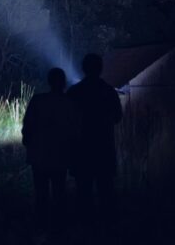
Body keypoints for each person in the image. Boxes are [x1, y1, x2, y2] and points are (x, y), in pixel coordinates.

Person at [67, 53, 122, 227]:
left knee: (84, 192)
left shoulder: (74, 92)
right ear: (100, 68)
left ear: (84, 69)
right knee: (106, 191)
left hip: (82, 150)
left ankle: (86, 228)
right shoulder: (109, 91)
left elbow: (67, 119)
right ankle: (107, 229)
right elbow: (118, 117)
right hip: (104, 149)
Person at [22, 67, 76, 238]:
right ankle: (59, 229)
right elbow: (76, 131)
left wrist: (30, 145)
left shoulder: (38, 101)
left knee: (41, 193)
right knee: (59, 191)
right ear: (64, 82)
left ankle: (41, 226)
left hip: (39, 155)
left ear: (49, 81)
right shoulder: (69, 103)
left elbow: (27, 129)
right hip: (60, 156)